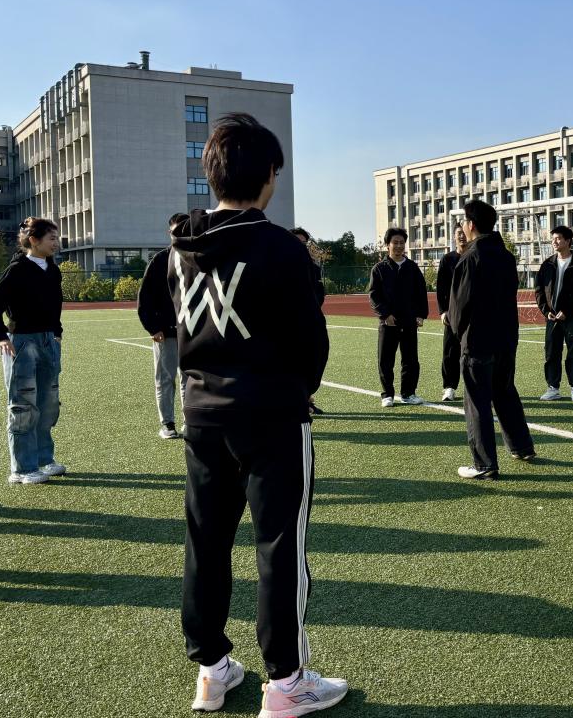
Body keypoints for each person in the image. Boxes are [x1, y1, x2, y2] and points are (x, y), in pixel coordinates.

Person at [168, 113, 345, 715]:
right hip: (271, 416)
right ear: (270, 174)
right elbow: (310, 338)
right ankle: (286, 682)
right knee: (279, 546)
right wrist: (299, 389)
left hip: (202, 415)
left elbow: (165, 318)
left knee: (206, 540)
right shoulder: (280, 246)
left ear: (211, 173)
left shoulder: (178, 249)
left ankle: (211, 668)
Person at [449, 199, 536, 479]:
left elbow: (459, 306)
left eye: (465, 221)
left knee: (477, 401)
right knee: (505, 392)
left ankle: (484, 464)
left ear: (471, 224)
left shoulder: (471, 257)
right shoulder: (506, 256)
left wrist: (458, 333)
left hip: (478, 340)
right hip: (506, 337)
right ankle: (522, 447)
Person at [0, 216, 65, 485]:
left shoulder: (53, 270)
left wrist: (57, 334)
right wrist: (0, 335)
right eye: (51, 238)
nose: (56, 242)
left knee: (48, 404)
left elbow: (55, 305)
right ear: (34, 240)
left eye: (56, 238)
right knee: (23, 405)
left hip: (49, 341)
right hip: (22, 343)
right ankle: (22, 468)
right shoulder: (17, 270)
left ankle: (44, 459)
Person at [138, 213, 188, 439]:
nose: (182, 233)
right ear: (170, 233)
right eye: (177, 230)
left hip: (191, 332)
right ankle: (167, 423)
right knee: (165, 379)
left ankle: (190, 422)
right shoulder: (160, 260)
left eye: (186, 229)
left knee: (190, 379)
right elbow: (145, 297)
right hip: (165, 332)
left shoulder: (198, 258)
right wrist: (153, 327)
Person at [368, 227, 428, 407]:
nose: (399, 246)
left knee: (410, 360)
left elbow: (421, 293)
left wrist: (420, 315)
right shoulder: (379, 269)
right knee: (385, 360)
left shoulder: (412, 268)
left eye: (402, 242)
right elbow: (374, 295)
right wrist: (385, 314)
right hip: (388, 322)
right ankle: (387, 395)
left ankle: (408, 393)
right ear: (388, 245)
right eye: (395, 242)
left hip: (409, 321)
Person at [535, 225, 573, 402]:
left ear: (568, 241)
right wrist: (546, 311)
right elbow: (539, 290)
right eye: (552, 239)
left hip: (572, 317)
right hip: (552, 318)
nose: (554, 241)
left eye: (558, 238)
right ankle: (553, 388)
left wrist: (567, 311)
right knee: (552, 352)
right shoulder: (547, 264)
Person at [291, 227, 329, 416]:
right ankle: (299, 402)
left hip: (312, 323)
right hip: (290, 326)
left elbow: (319, 295)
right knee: (293, 365)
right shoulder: (280, 267)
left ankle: (306, 398)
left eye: (304, 243)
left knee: (316, 359)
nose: (302, 247)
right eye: (297, 243)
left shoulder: (314, 268)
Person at [435, 224, 468, 402]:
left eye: (464, 233)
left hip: (473, 315)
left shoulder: (476, 256)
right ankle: (449, 387)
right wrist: (443, 311)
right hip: (453, 315)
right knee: (450, 352)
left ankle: (475, 388)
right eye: (458, 233)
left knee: (474, 353)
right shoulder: (447, 260)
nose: (462, 236)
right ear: (454, 237)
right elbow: (441, 288)